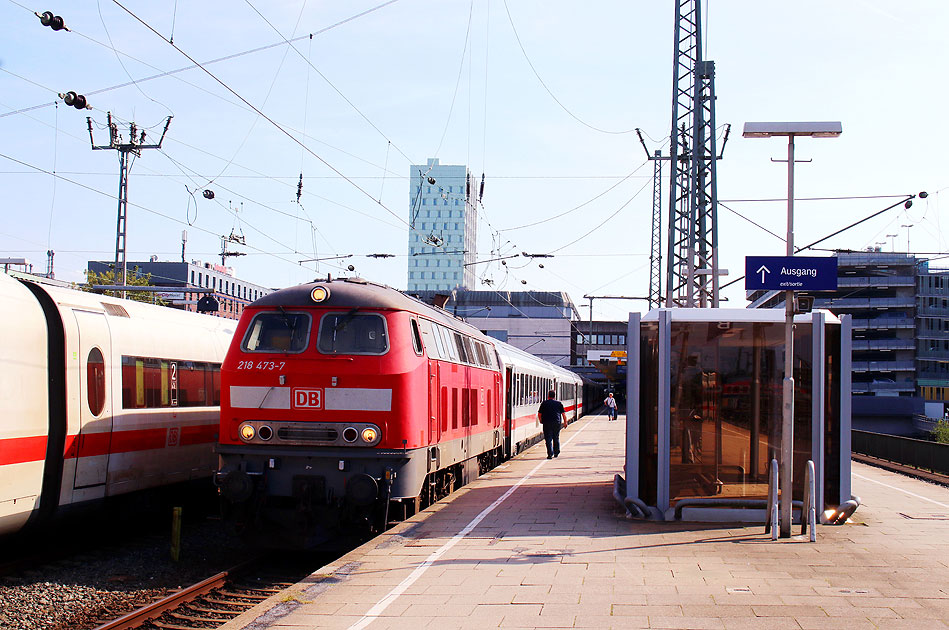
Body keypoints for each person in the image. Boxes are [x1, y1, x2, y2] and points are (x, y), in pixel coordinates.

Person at [537, 390, 566, 459]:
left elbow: (539, 414)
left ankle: (550, 454)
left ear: (548, 396)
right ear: (554, 396)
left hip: (546, 423)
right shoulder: (559, 403)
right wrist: (565, 422)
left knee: (548, 439)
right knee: (556, 437)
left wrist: (540, 420)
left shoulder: (544, 403)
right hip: (556, 422)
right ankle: (556, 452)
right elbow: (563, 414)